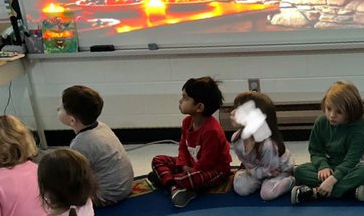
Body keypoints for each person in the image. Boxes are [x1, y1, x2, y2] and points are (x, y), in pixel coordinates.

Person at [150, 75, 230, 207]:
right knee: (158, 160)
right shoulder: (187, 122)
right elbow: (182, 147)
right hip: (191, 165)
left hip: (215, 170)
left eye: (185, 98)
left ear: (199, 107)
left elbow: (207, 162)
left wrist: (188, 171)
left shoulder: (212, 131)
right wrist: (182, 165)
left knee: (188, 178)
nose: (180, 101)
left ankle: (167, 181)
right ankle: (174, 187)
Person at [290, 81, 364, 203]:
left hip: (351, 167)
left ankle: (315, 192)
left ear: (350, 111)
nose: (332, 115)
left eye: (339, 112)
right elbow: (315, 151)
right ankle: (347, 190)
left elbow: (352, 160)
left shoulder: (357, 129)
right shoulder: (321, 122)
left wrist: (333, 179)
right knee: (299, 171)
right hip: (330, 165)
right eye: (329, 109)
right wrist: (323, 166)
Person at [58, 84, 134, 205]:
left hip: (107, 195)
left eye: (61, 108)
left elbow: (75, 178)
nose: (58, 109)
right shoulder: (101, 125)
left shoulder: (80, 143)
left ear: (72, 120)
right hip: (126, 186)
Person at [229, 90, 294, 200]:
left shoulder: (267, 145)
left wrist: (255, 172)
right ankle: (261, 181)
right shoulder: (236, 139)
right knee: (240, 187)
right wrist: (251, 171)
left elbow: (272, 170)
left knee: (267, 194)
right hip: (258, 170)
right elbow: (246, 162)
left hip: (278, 171)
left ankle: (290, 180)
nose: (232, 113)